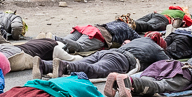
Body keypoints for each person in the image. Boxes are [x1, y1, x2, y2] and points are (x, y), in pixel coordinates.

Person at [34, 34, 169, 79]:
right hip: (122, 59)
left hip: (107, 52)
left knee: (86, 61)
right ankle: (65, 66)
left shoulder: (138, 39)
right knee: (95, 70)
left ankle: (43, 65)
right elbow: (170, 64)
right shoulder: (157, 49)